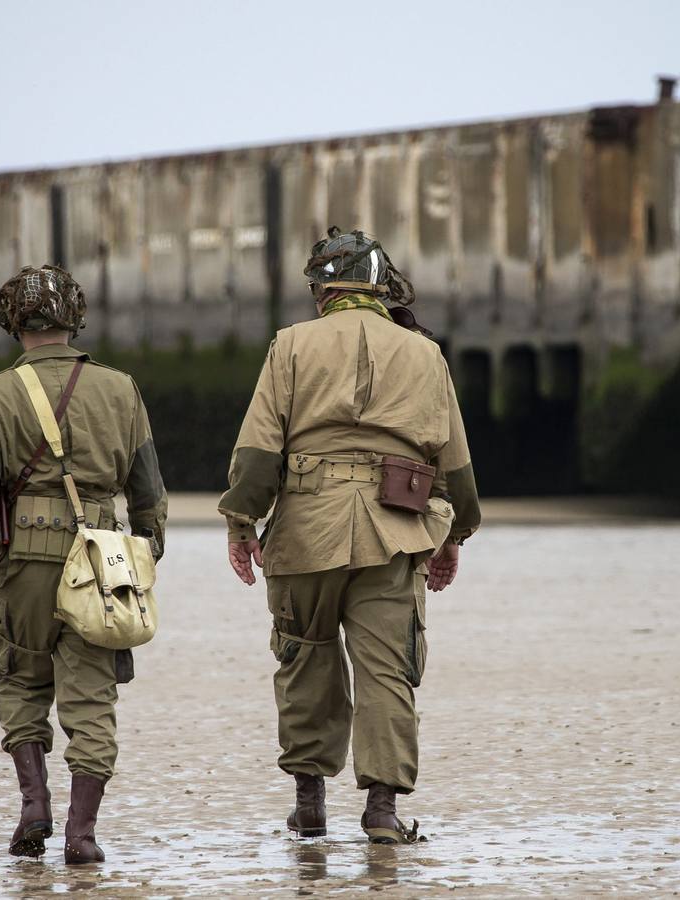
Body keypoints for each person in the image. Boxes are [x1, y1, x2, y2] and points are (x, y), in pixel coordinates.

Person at [219, 227, 481, 844]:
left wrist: (241, 522)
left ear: (323, 290)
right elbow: (456, 461)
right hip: (397, 528)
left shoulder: (290, 345)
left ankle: (310, 806)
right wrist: (454, 537)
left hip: (305, 529)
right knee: (388, 669)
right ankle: (383, 813)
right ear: (379, 287)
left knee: (304, 656)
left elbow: (258, 449)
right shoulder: (424, 353)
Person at [0, 264, 167, 864]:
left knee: (19, 679)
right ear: (75, 317)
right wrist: (144, 556)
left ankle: (33, 807)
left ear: (13, 323)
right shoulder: (122, 390)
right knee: (91, 697)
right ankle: (83, 835)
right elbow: (149, 493)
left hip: (22, 564)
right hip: (100, 562)